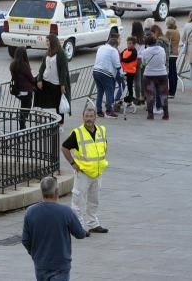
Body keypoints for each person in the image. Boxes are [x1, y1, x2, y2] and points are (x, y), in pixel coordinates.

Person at [22, 175, 88, 281]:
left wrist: (36, 254)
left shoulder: (30, 212)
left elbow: (25, 240)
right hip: (60, 264)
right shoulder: (66, 212)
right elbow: (80, 234)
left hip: (41, 264)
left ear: (42, 191)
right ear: (56, 191)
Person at [61, 106, 109, 236]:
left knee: (94, 200)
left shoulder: (102, 130)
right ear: (83, 117)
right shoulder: (78, 133)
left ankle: (93, 224)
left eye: (91, 116)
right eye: (86, 117)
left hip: (97, 173)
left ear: (95, 117)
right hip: (83, 173)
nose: (89, 119)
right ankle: (79, 227)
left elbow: (103, 146)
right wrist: (72, 163)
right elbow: (65, 147)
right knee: (78, 201)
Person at [35, 34, 71, 125]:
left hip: (57, 83)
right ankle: (40, 115)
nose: (46, 43)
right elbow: (43, 66)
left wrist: (62, 84)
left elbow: (63, 70)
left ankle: (61, 123)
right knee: (40, 98)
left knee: (59, 104)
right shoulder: (48, 51)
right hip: (46, 80)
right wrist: (39, 79)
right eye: (46, 41)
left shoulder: (61, 53)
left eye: (48, 41)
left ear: (53, 41)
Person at [140, 32, 169, 120]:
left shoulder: (145, 51)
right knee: (163, 94)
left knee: (150, 95)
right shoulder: (162, 50)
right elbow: (163, 61)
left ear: (147, 43)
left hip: (149, 75)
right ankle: (166, 114)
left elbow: (144, 63)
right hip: (162, 74)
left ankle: (150, 114)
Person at [9, 48, 38, 129]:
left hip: (18, 91)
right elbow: (31, 79)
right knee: (27, 108)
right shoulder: (24, 65)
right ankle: (22, 124)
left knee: (23, 106)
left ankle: (22, 124)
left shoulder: (13, 65)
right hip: (26, 91)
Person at [92, 37, 120, 118]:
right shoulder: (113, 50)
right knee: (109, 91)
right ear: (115, 45)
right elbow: (117, 65)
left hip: (96, 71)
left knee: (100, 92)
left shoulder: (101, 47)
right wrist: (121, 74)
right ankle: (109, 111)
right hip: (106, 73)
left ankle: (99, 111)